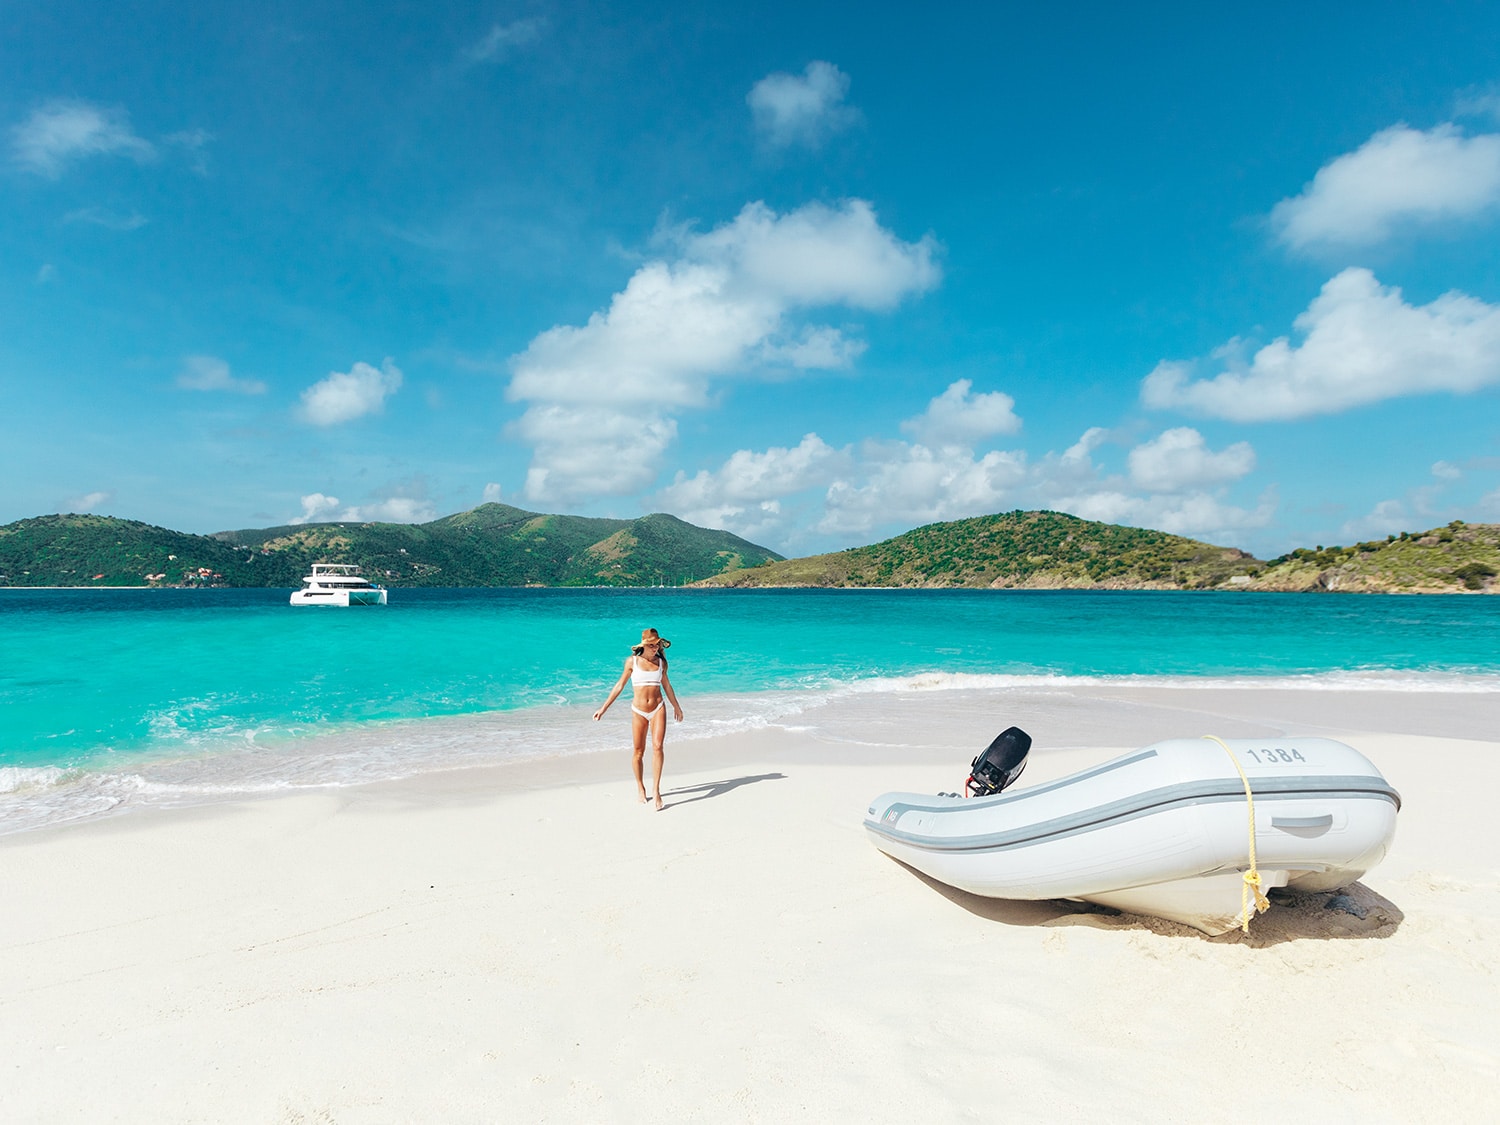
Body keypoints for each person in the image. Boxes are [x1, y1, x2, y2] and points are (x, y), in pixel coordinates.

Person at [593, 627, 683, 810]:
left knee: (658, 747)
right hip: (638, 710)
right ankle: (640, 787)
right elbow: (619, 685)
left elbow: (667, 686)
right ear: (644, 645)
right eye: (651, 645)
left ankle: (656, 790)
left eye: (657, 644)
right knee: (638, 751)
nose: (655, 648)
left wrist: (676, 706)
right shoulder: (632, 662)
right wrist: (603, 708)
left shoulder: (661, 663)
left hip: (658, 707)